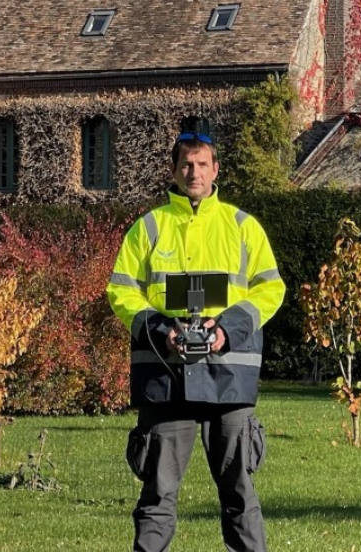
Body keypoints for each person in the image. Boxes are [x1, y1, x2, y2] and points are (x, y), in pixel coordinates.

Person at [107, 131, 286, 552]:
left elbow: (271, 290)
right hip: (167, 378)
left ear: (215, 169)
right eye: (187, 164)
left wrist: (226, 328)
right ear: (174, 169)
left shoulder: (243, 227)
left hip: (229, 379)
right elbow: (120, 291)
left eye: (203, 164)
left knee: (239, 494)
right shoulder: (148, 228)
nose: (194, 173)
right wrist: (160, 329)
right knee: (156, 497)